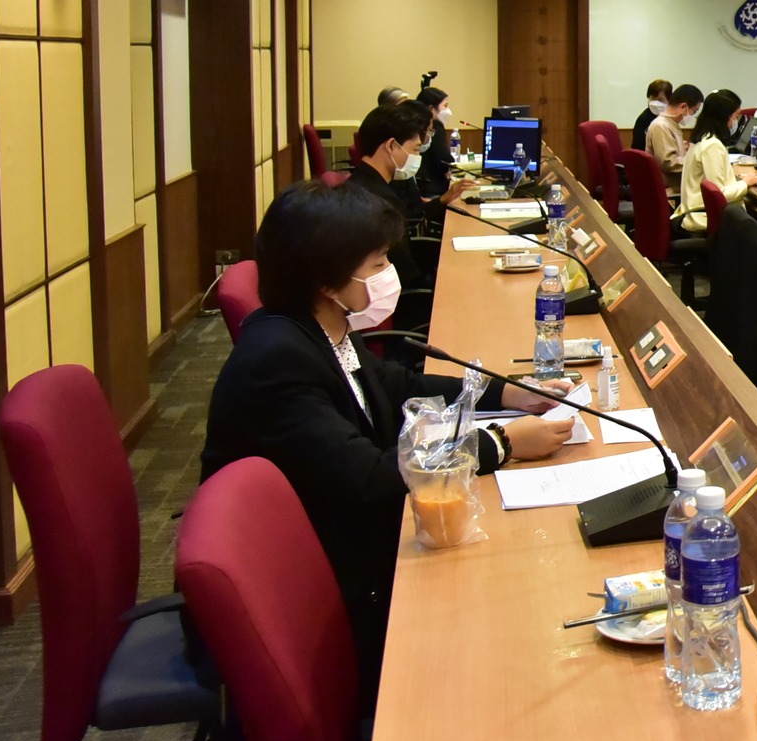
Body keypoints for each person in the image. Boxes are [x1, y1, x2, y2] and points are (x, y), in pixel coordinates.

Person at [199, 180, 574, 692]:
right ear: (327, 280)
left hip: (342, 534)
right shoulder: (278, 361)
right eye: (377, 263)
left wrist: (508, 392)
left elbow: (396, 386)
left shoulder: (317, 326)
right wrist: (501, 443)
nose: (387, 273)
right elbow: (370, 478)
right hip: (316, 584)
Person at [348, 102, 473, 304]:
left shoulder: (363, 184)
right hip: (405, 303)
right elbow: (408, 276)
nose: (417, 157)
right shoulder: (381, 202)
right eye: (415, 150)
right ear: (391, 146)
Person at [676, 89, 749, 233]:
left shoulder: (701, 138)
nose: (735, 122)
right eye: (736, 116)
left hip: (694, 211)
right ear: (725, 116)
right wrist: (746, 183)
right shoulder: (712, 145)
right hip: (702, 217)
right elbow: (719, 194)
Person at [414, 84, 459, 198]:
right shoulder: (435, 125)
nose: (447, 110)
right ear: (431, 108)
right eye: (445, 106)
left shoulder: (415, 122)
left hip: (421, 184)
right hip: (431, 187)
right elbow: (443, 156)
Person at [648, 83, 702, 175]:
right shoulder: (661, 126)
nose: (693, 115)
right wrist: (697, 161)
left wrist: (683, 148)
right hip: (670, 182)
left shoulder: (671, 124)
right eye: (694, 111)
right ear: (683, 107)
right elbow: (668, 162)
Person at [631, 78, 672, 152]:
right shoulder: (643, 120)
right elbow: (639, 148)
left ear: (669, 100)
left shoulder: (670, 119)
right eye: (653, 99)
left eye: (660, 100)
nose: (656, 103)